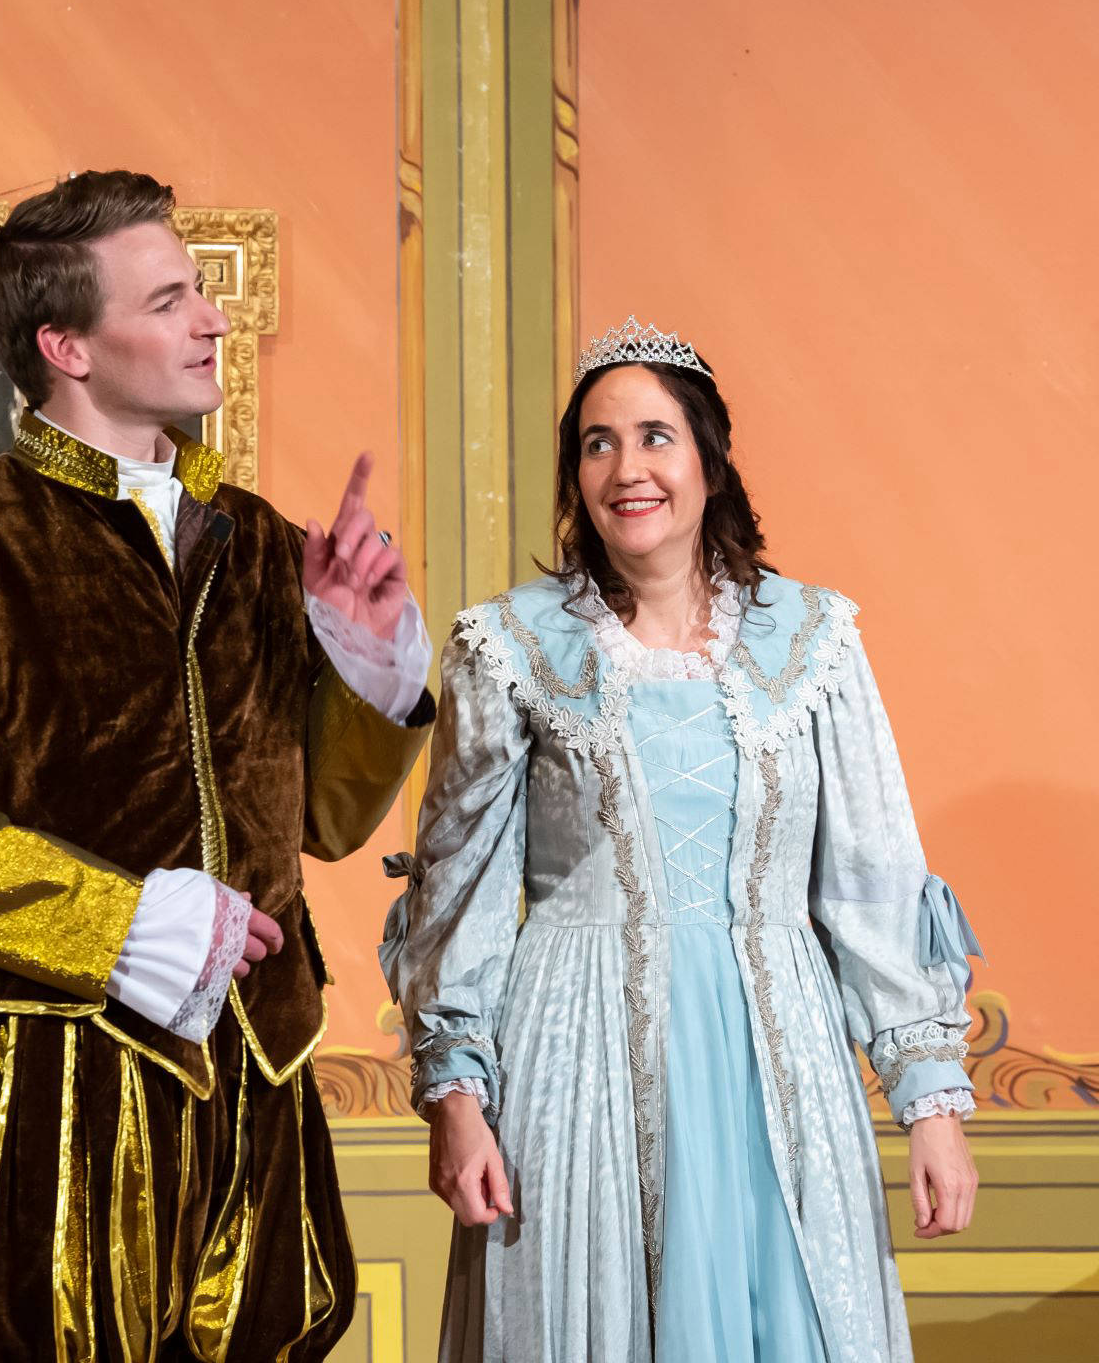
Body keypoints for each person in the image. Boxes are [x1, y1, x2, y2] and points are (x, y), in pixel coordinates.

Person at [0, 169, 434, 1363]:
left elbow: (318, 820)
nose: (212, 318)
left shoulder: (260, 540)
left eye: (199, 290)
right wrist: (116, 921)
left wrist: (369, 666)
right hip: (55, 1074)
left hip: (258, 1062)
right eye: (168, 300)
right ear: (66, 345)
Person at [380, 316, 984, 1362]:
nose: (628, 469)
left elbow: (872, 882)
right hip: (577, 1061)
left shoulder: (812, 641)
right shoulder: (509, 645)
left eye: (655, 436)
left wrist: (930, 1105)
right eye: (598, 443)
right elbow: (459, 888)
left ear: (709, 458)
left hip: (777, 1059)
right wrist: (457, 1100)